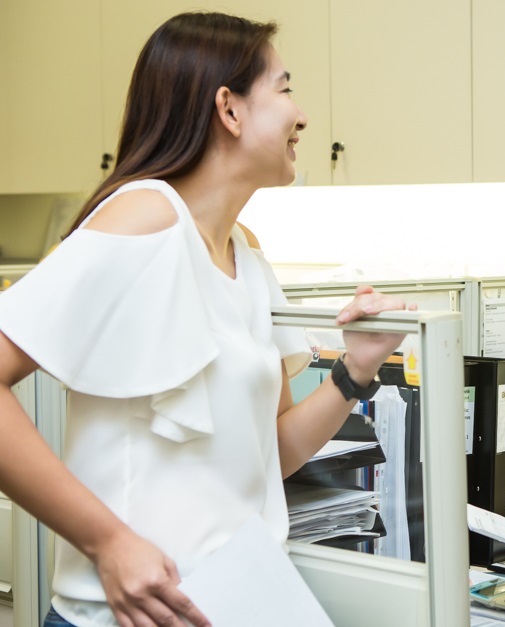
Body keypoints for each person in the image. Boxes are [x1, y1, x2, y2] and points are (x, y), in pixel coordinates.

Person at [0, 13, 414, 627]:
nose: (302, 116)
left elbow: (273, 452)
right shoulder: (145, 219)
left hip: (239, 604)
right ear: (230, 109)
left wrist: (355, 371)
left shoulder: (244, 252)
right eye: (284, 89)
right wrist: (108, 541)